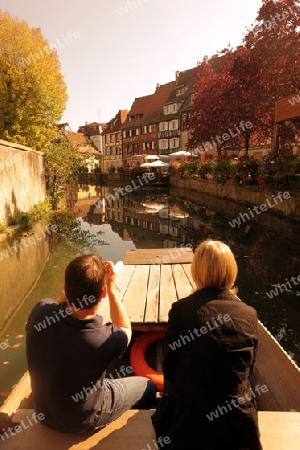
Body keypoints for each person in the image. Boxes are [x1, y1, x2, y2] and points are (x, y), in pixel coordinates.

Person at [26, 254, 156, 434]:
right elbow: (125, 329)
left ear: (65, 287)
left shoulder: (39, 312)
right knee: (148, 386)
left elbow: (58, 304)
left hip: (44, 414)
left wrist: (77, 283)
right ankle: (134, 429)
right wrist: (111, 288)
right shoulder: (104, 339)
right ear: (101, 293)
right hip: (82, 421)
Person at [152, 239, 262, 450]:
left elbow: (171, 369)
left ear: (197, 272)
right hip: (238, 424)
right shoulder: (250, 314)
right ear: (232, 271)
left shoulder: (181, 310)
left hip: (190, 422)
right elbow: (249, 369)